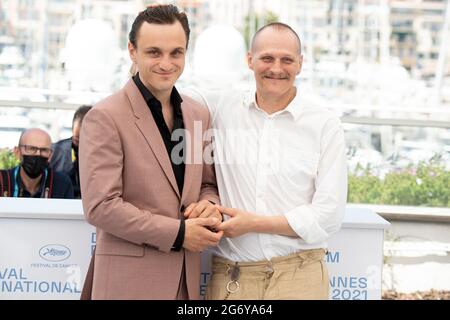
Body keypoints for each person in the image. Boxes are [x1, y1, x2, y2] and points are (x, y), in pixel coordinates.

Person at [185, 22, 348, 300]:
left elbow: (329, 215)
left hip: (301, 276)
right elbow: (164, 90)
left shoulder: (325, 124)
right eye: (267, 58)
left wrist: (254, 223)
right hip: (232, 278)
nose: (277, 68)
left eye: (287, 59)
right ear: (250, 60)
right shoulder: (221, 108)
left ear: (300, 64)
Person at [79, 4, 222, 300]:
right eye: (154, 52)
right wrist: (180, 234)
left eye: (176, 53)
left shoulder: (198, 115)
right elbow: (101, 206)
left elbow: (208, 184)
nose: (166, 63)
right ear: (132, 51)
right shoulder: (105, 116)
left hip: (185, 285)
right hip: (126, 286)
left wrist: (209, 204)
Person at [0, 128, 74, 199]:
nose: (38, 154)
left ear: (50, 155)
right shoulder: (2, 181)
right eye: (31, 149)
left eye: (44, 150)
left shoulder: (61, 184)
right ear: (17, 152)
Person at [51, 105, 92, 198]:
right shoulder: (56, 151)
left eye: (85, 140)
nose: (81, 145)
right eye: (76, 139)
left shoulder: (104, 154)